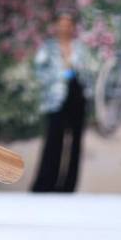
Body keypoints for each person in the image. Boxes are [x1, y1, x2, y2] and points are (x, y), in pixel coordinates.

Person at [31, 12, 93, 193]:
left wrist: (80, 78)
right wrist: (58, 76)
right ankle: (45, 182)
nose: (65, 28)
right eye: (61, 24)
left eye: (68, 24)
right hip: (55, 97)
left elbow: (89, 71)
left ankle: (68, 185)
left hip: (77, 94)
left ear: (73, 27)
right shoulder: (48, 47)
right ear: (56, 26)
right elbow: (39, 72)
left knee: (75, 143)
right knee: (53, 140)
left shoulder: (80, 48)